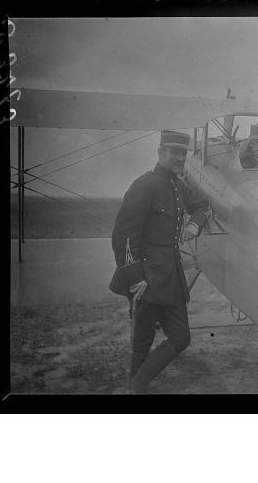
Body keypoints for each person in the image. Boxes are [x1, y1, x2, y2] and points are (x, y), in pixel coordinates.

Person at [111, 130, 208, 394]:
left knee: (180, 337)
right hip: (145, 276)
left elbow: (202, 206)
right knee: (142, 341)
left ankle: (135, 386)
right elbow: (124, 236)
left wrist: (193, 224)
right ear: (160, 153)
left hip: (169, 275)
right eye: (173, 152)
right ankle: (135, 390)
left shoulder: (177, 185)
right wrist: (135, 277)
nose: (179, 157)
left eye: (183, 153)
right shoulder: (145, 185)